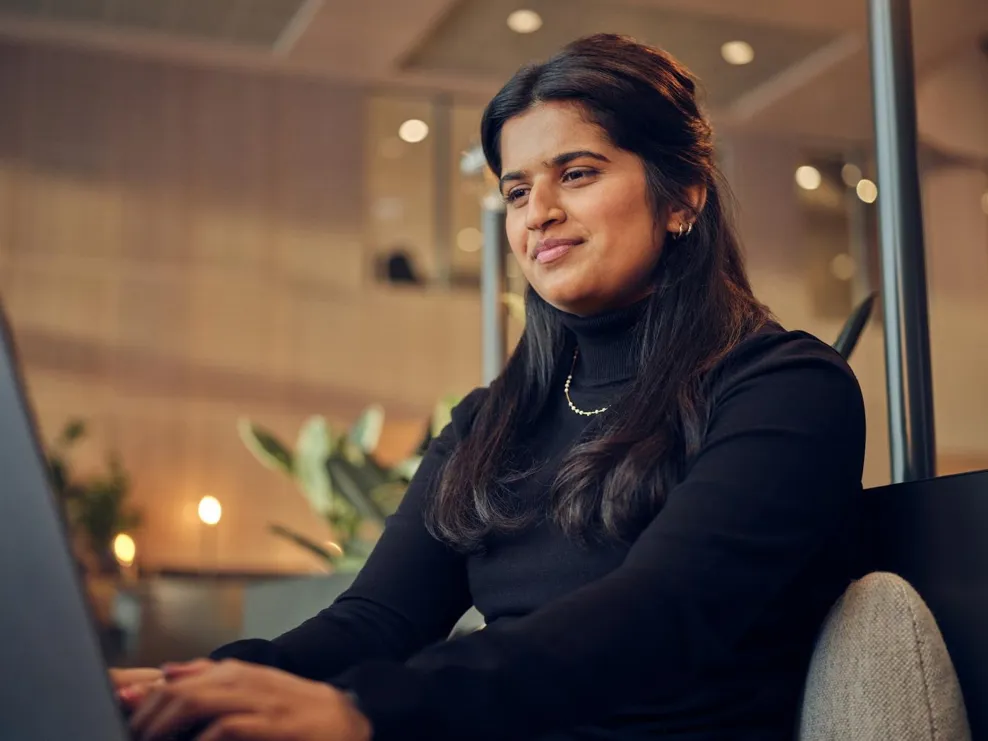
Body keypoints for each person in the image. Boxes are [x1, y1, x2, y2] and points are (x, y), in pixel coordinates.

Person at [116, 33, 866, 741]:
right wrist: (192, 682)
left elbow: (657, 617)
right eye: (515, 191)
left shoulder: (785, 389)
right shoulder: (495, 421)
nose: (537, 213)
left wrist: (365, 710)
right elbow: (375, 619)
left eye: (576, 173)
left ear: (683, 198)